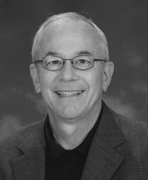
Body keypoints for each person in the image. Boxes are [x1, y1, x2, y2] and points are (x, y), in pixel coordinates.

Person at [0, 12, 147, 180]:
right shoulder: (4, 157)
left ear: (105, 75)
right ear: (36, 77)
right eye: (54, 62)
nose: (67, 75)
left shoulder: (144, 150)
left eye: (83, 61)